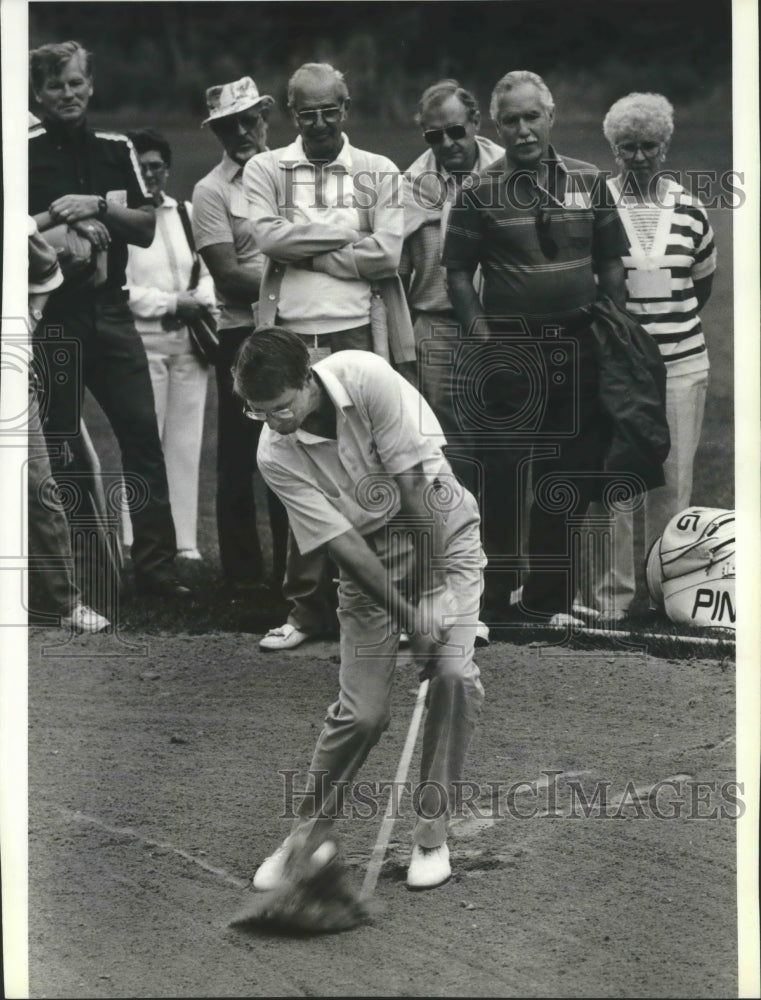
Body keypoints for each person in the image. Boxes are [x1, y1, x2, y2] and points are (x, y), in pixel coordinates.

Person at [233, 328, 486, 891]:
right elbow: (345, 548)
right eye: (258, 413)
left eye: (281, 408)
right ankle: (305, 839)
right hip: (369, 564)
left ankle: (431, 836)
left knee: (450, 674)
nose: (273, 422)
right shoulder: (275, 454)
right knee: (363, 713)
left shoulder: (366, 376)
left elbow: (417, 489)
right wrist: (405, 610)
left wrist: (431, 594)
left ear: (307, 380)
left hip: (441, 534)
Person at [442, 70, 629, 626]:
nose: (523, 130)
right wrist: (482, 335)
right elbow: (456, 274)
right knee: (500, 476)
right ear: (497, 126)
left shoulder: (590, 180)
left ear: (551, 116)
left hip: (578, 345)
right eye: (511, 120)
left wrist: (611, 324)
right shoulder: (479, 190)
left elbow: (611, 262)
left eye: (532, 117)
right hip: (509, 352)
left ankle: (547, 599)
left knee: (567, 474)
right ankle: (494, 601)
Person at [243, 62, 416, 651]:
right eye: (306, 113)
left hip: (356, 338)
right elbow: (267, 239)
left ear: (346, 108)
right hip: (288, 338)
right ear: (292, 114)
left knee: (369, 471)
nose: (318, 123)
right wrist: (347, 236)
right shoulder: (268, 166)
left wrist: (307, 240)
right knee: (298, 473)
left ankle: (378, 600)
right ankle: (307, 612)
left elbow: (388, 255)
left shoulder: (377, 170)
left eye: (329, 111)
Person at [28, 40, 188, 599]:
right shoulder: (23, 151)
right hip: (55, 318)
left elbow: (144, 226)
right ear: (36, 93)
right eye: (54, 86)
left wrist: (95, 206)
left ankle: (158, 572)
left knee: (142, 437)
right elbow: (19, 231)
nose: (67, 94)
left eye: (75, 83)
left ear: (90, 85)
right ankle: (87, 571)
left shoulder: (114, 148)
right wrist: (58, 214)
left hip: (112, 311)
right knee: (63, 443)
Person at [584, 92, 717, 620]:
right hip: (620, 368)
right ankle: (612, 600)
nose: (637, 156)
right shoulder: (597, 202)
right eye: (626, 147)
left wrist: (666, 333)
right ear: (613, 149)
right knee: (618, 482)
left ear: (664, 147)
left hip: (683, 363)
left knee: (674, 479)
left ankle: (668, 596)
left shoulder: (690, 207)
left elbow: (700, 286)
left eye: (648, 147)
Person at [192, 76, 288, 594]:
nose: (243, 133)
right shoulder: (210, 191)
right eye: (230, 126)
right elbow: (227, 273)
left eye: (250, 120)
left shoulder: (289, 175)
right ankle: (243, 577)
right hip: (242, 332)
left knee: (291, 447)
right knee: (239, 454)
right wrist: (303, 275)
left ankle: (292, 572)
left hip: (292, 327)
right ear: (218, 133)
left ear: (265, 120)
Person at [125, 128, 216, 562]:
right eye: (141, 168)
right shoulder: (123, 218)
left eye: (156, 167)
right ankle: (135, 537)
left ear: (168, 168)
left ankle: (184, 541)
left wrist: (199, 300)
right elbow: (120, 290)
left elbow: (208, 267)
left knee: (184, 442)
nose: (150, 175)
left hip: (190, 344)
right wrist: (168, 301)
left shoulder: (185, 213)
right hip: (144, 343)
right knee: (145, 445)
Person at [27, 216, 110, 632]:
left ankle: (66, 604)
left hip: (10, 374)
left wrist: (30, 320)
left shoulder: (14, 224)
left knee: (38, 487)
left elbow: (47, 270)